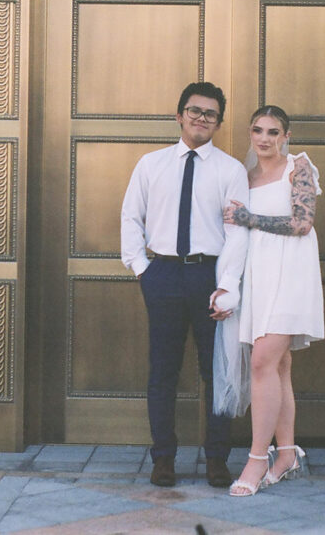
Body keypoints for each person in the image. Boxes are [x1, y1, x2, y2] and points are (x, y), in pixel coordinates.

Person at [121, 82, 250, 488]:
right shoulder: (150, 164)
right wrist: (142, 269)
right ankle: (163, 459)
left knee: (217, 372)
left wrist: (228, 285)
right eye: (194, 110)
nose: (201, 118)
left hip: (209, 276)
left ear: (218, 123)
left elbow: (237, 232)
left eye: (210, 114)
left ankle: (216, 459)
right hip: (163, 274)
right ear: (179, 115)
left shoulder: (230, 170)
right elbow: (131, 216)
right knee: (163, 371)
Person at [222, 105, 325, 497]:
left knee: (262, 362)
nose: (264, 138)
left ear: (286, 136)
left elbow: (302, 223)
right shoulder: (245, 176)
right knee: (279, 366)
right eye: (258, 130)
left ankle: (256, 460)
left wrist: (250, 218)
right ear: (250, 133)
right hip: (260, 275)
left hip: (292, 274)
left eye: (273, 132)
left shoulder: (298, 167)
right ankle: (286, 455)